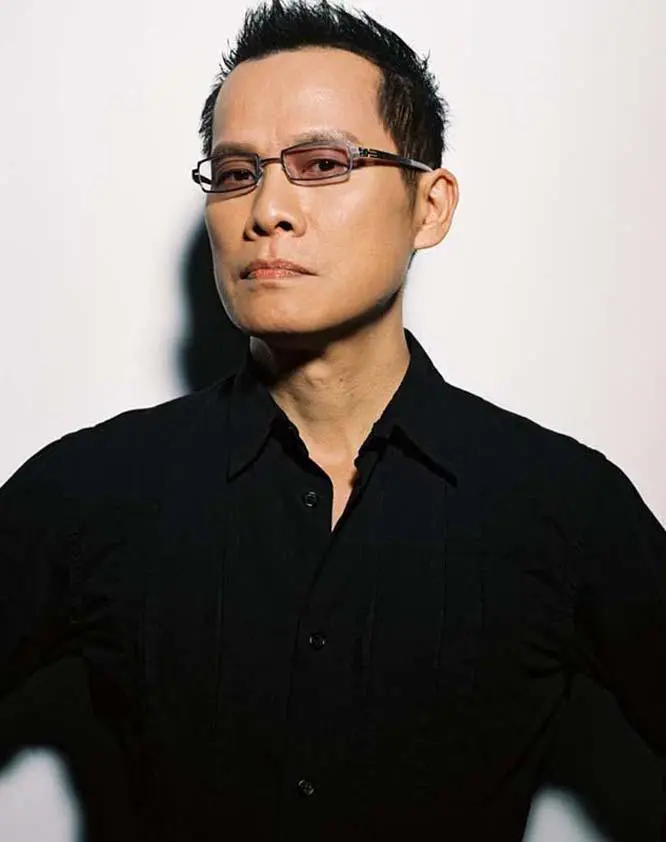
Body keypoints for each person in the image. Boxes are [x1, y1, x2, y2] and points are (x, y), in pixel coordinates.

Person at [1, 1, 664, 840]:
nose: (267, 209)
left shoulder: (562, 505)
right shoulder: (91, 491)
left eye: (322, 163)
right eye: (235, 173)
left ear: (430, 206)